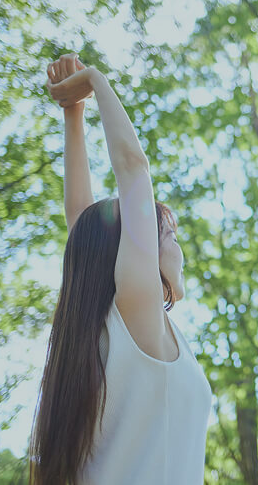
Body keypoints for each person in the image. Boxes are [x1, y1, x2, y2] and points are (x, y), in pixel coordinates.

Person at [28, 53, 213, 485]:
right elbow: (133, 168)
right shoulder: (138, 315)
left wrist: (73, 115)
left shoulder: (112, 331)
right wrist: (93, 79)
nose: (177, 247)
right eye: (169, 235)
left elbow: (83, 223)